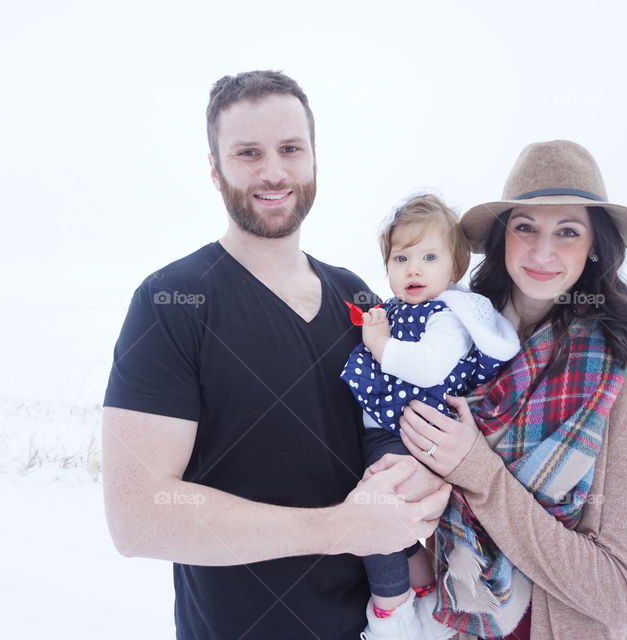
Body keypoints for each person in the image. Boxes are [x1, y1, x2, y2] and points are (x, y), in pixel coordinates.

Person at [100, 70, 451, 640]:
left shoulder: (359, 300)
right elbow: (138, 517)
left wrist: (413, 474)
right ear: (215, 170)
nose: (273, 171)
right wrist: (341, 529)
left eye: (291, 149)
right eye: (248, 153)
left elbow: (396, 427)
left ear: (314, 160)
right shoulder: (172, 302)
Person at [372, 140, 627, 639]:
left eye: (567, 231)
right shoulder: (454, 352)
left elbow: (620, 593)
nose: (542, 252)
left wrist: (479, 471)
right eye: (526, 227)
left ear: (594, 245)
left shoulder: (622, 388)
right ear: (504, 238)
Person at [340, 192, 520, 639]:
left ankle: (390, 611)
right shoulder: (399, 310)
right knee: (393, 520)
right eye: (401, 257)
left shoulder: (449, 316)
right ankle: (423, 592)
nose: (413, 269)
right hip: (385, 430)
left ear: (455, 269)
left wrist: (380, 345)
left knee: (377, 515)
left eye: (429, 256)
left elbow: (428, 366)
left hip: (409, 434)